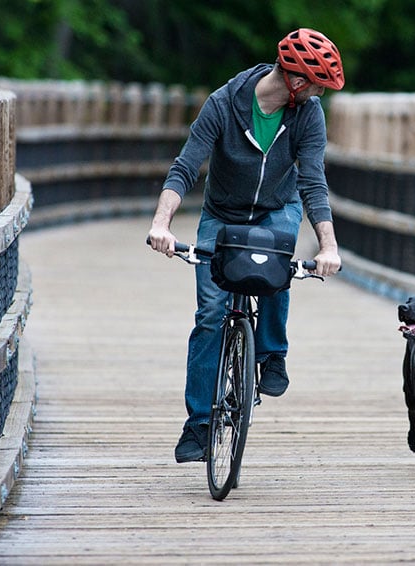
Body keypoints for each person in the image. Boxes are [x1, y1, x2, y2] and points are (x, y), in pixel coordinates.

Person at [147, 28, 345, 463]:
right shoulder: (224, 103)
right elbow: (185, 167)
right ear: (294, 79)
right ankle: (199, 423)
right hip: (222, 214)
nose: (319, 95)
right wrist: (161, 224)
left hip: (277, 206)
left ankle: (273, 353)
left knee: (277, 261)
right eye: (315, 85)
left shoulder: (308, 114)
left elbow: (313, 181)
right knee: (211, 314)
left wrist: (328, 246)